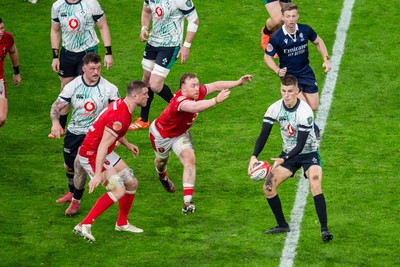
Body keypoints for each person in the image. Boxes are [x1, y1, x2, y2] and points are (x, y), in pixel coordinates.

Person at [150, 73, 253, 214]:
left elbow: (216, 85)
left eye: (197, 84)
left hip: (180, 134)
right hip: (161, 135)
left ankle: (187, 202)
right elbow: (194, 107)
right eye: (193, 85)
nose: (197, 88)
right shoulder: (180, 100)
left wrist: (238, 82)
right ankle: (162, 177)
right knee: (161, 162)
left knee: (190, 160)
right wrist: (216, 100)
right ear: (183, 88)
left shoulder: (196, 93)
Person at [248, 75, 333, 242]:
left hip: (309, 153)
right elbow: (263, 134)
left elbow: (301, 145)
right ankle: (282, 225)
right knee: (268, 188)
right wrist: (253, 156)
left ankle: (324, 229)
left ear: (297, 91)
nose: (286, 95)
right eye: (283, 91)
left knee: (315, 184)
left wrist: (283, 159)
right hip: (289, 155)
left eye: (290, 92)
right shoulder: (274, 108)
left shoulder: (305, 111)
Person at [73, 80, 149, 242]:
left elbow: (113, 134)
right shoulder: (120, 116)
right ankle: (84, 224)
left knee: (131, 183)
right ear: (134, 96)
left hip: (103, 150)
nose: (148, 97)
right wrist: (98, 174)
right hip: (93, 154)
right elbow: (102, 145)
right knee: (118, 190)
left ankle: (122, 223)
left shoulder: (124, 105)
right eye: (144, 94)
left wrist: (127, 144)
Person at [49, 53, 120, 216]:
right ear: (84, 69)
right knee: (68, 165)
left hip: (95, 135)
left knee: (79, 165)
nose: (96, 72)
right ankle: (72, 192)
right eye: (92, 69)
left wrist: (115, 136)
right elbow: (56, 107)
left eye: (98, 68)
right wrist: (55, 123)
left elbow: (117, 115)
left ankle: (76, 202)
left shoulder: (109, 89)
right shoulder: (73, 86)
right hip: (74, 132)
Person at [129, 0, 199, 131]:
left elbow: (194, 20)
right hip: (152, 42)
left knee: (155, 84)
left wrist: (186, 46)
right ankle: (144, 120)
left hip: (170, 45)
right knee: (146, 80)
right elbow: (146, 11)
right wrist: (144, 28)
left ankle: (186, 108)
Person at [264, 3, 331, 139]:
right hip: (290, 77)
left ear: (297, 16)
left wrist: (326, 59)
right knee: (304, 106)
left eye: (293, 16)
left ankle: (292, 115)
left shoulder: (305, 30)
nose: (291, 20)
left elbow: (318, 42)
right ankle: (311, 128)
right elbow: (267, 57)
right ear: (283, 17)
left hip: (306, 72)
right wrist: (277, 70)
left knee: (314, 105)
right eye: (288, 16)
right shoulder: (277, 37)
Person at [49, 0, 113, 138]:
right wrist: (55, 56)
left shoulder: (91, 4)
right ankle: (61, 126)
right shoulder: (57, 6)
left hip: (87, 52)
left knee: (87, 88)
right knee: (65, 89)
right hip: (67, 53)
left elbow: (103, 26)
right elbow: (55, 30)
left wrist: (108, 52)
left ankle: (90, 127)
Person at [0, 17, 21, 128]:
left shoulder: (7, 38)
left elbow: (13, 51)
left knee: (2, 118)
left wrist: (16, 72)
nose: (1, 32)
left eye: (2, 28)